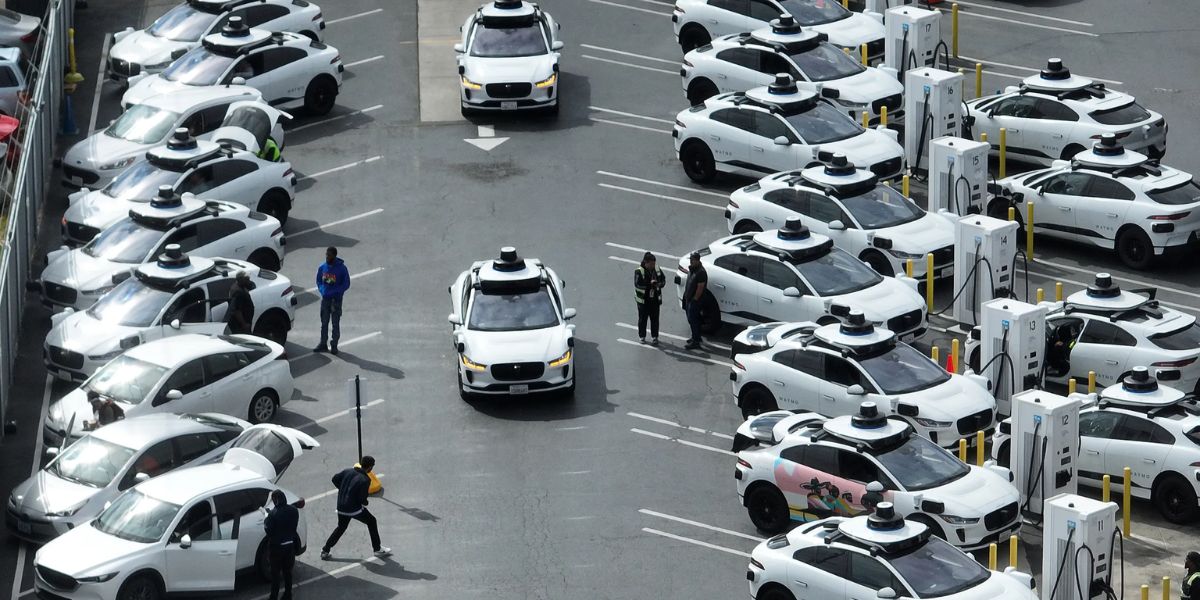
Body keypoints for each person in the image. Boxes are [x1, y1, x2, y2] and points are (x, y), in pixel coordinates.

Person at [320, 456, 391, 560]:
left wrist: (344, 489)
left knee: (341, 527)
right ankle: (377, 549)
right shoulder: (365, 479)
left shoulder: (347, 471)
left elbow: (334, 479)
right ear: (370, 467)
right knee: (371, 521)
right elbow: (362, 498)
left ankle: (325, 550)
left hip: (341, 506)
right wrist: (365, 502)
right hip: (353, 509)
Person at [264, 489, 299, 600]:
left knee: (275, 574)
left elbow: (269, 530)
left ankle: (273, 597)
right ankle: (288, 595)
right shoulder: (294, 510)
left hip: (277, 548)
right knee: (287, 572)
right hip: (290, 546)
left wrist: (267, 517)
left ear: (276, 500)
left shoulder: (273, 514)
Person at [314, 247, 350, 354]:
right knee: (324, 322)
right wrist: (322, 290)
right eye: (326, 254)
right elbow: (319, 280)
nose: (327, 257)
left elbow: (346, 284)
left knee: (335, 323)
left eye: (329, 255)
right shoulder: (322, 267)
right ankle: (323, 343)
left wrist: (336, 292)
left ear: (334, 256)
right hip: (325, 300)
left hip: (336, 300)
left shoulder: (342, 269)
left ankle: (334, 345)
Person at [634, 252, 665, 344]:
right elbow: (638, 284)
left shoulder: (657, 269)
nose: (653, 266)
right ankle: (642, 336)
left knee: (655, 319)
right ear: (645, 262)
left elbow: (663, 280)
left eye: (654, 263)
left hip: (655, 299)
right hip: (643, 301)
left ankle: (655, 336)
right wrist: (649, 284)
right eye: (651, 264)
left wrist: (658, 284)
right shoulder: (639, 271)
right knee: (643, 319)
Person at [682, 251, 707, 350]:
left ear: (697, 260)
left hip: (695, 301)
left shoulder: (701, 272)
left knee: (693, 320)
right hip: (689, 298)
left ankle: (696, 341)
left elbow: (700, 288)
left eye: (692, 260)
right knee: (690, 319)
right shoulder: (693, 269)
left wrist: (694, 300)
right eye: (691, 260)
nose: (691, 261)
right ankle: (695, 337)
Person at [226, 271, 255, 335]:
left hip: (244, 323)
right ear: (240, 279)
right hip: (240, 325)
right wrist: (244, 324)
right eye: (246, 279)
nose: (248, 280)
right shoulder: (238, 292)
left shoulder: (242, 287)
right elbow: (237, 311)